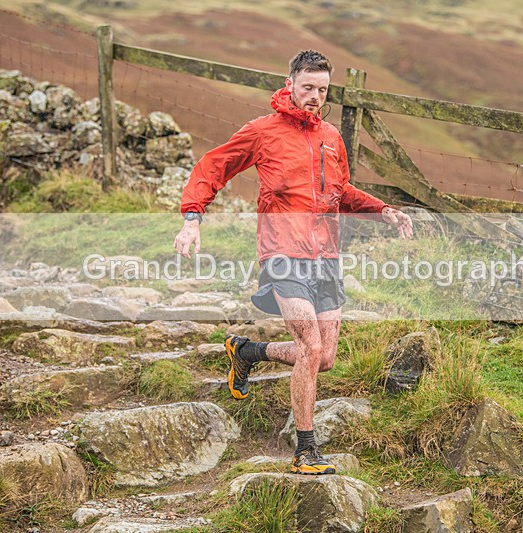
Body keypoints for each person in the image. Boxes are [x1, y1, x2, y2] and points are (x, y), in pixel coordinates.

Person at [174, 50, 413, 475]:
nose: (315, 97)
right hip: (283, 253)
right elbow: (214, 166)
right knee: (310, 347)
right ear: (290, 84)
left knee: (325, 358)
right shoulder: (263, 132)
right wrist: (192, 220)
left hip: (326, 256)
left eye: (323, 90)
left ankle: (247, 351)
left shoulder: (331, 137)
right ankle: (305, 451)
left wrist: (384, 210)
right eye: (308, 88)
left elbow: (341, 192)